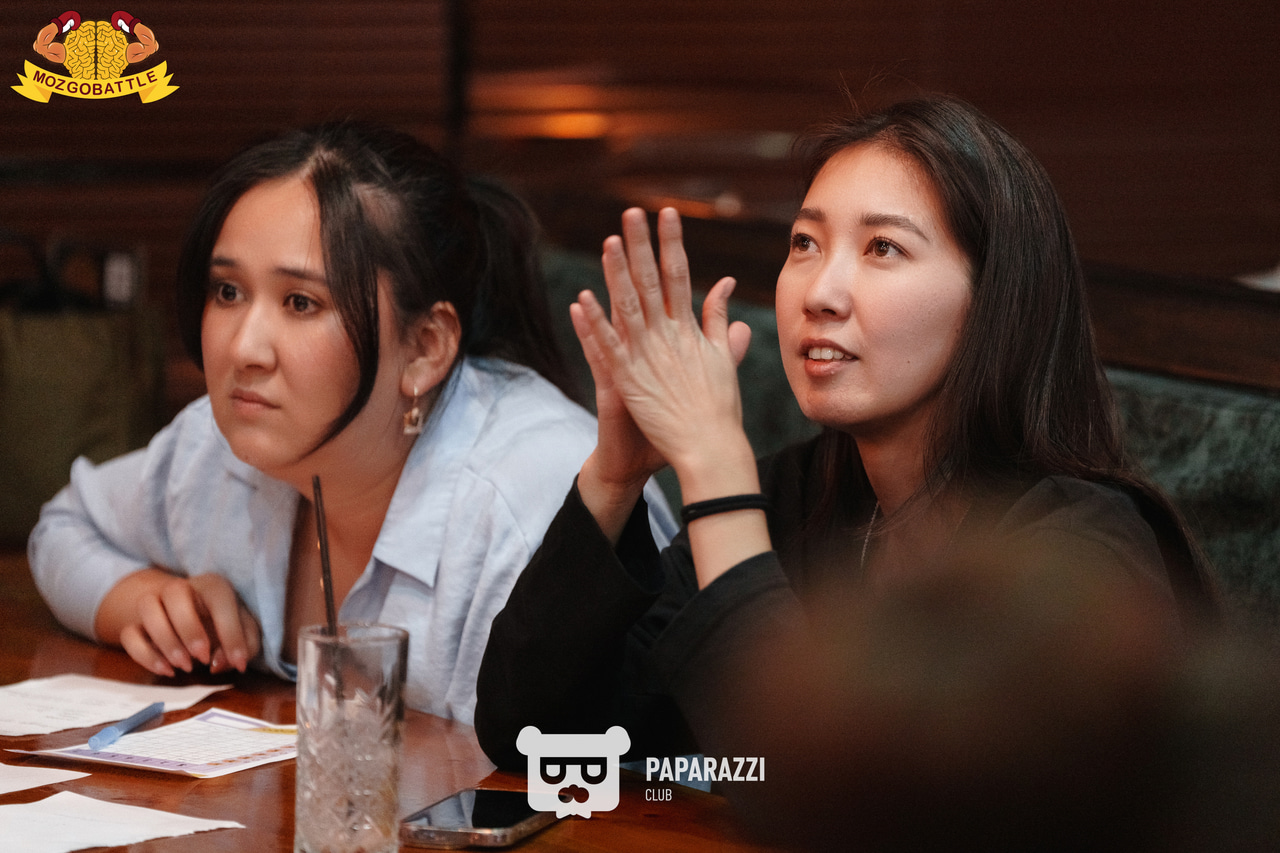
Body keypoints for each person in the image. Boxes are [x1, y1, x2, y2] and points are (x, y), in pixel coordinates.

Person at [473, 94, 1218, 779]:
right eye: (805, 242)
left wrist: (715, 470)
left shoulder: (1082, 549)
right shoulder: (792, 499)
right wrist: (614, 475)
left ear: (996, 300)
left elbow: (835, 796)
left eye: (882, 248)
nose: (821, 293)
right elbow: (532, 736)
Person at [28, 122, 675, 725]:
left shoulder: (524, 505)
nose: (244, 348)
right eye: (228, 291)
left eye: (300, 302)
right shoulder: (221, 444)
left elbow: (624, 768)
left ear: (425, 348)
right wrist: (137, 598)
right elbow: (63, 526)